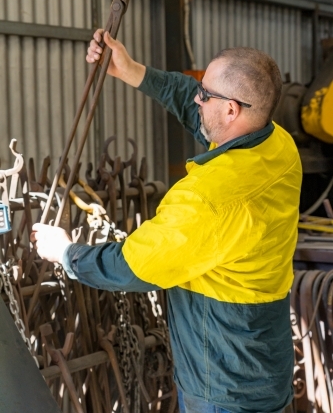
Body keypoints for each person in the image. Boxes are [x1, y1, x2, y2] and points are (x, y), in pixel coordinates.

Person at [31, 30, 302, 413]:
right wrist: (132, 70)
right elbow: (199, 115)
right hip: (266, 364)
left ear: (231, 111)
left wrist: (66, 253)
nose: (196, 96)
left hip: (224, 381)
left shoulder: (208, 199)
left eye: (205, 93)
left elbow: (132, 267)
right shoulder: (277, 145)